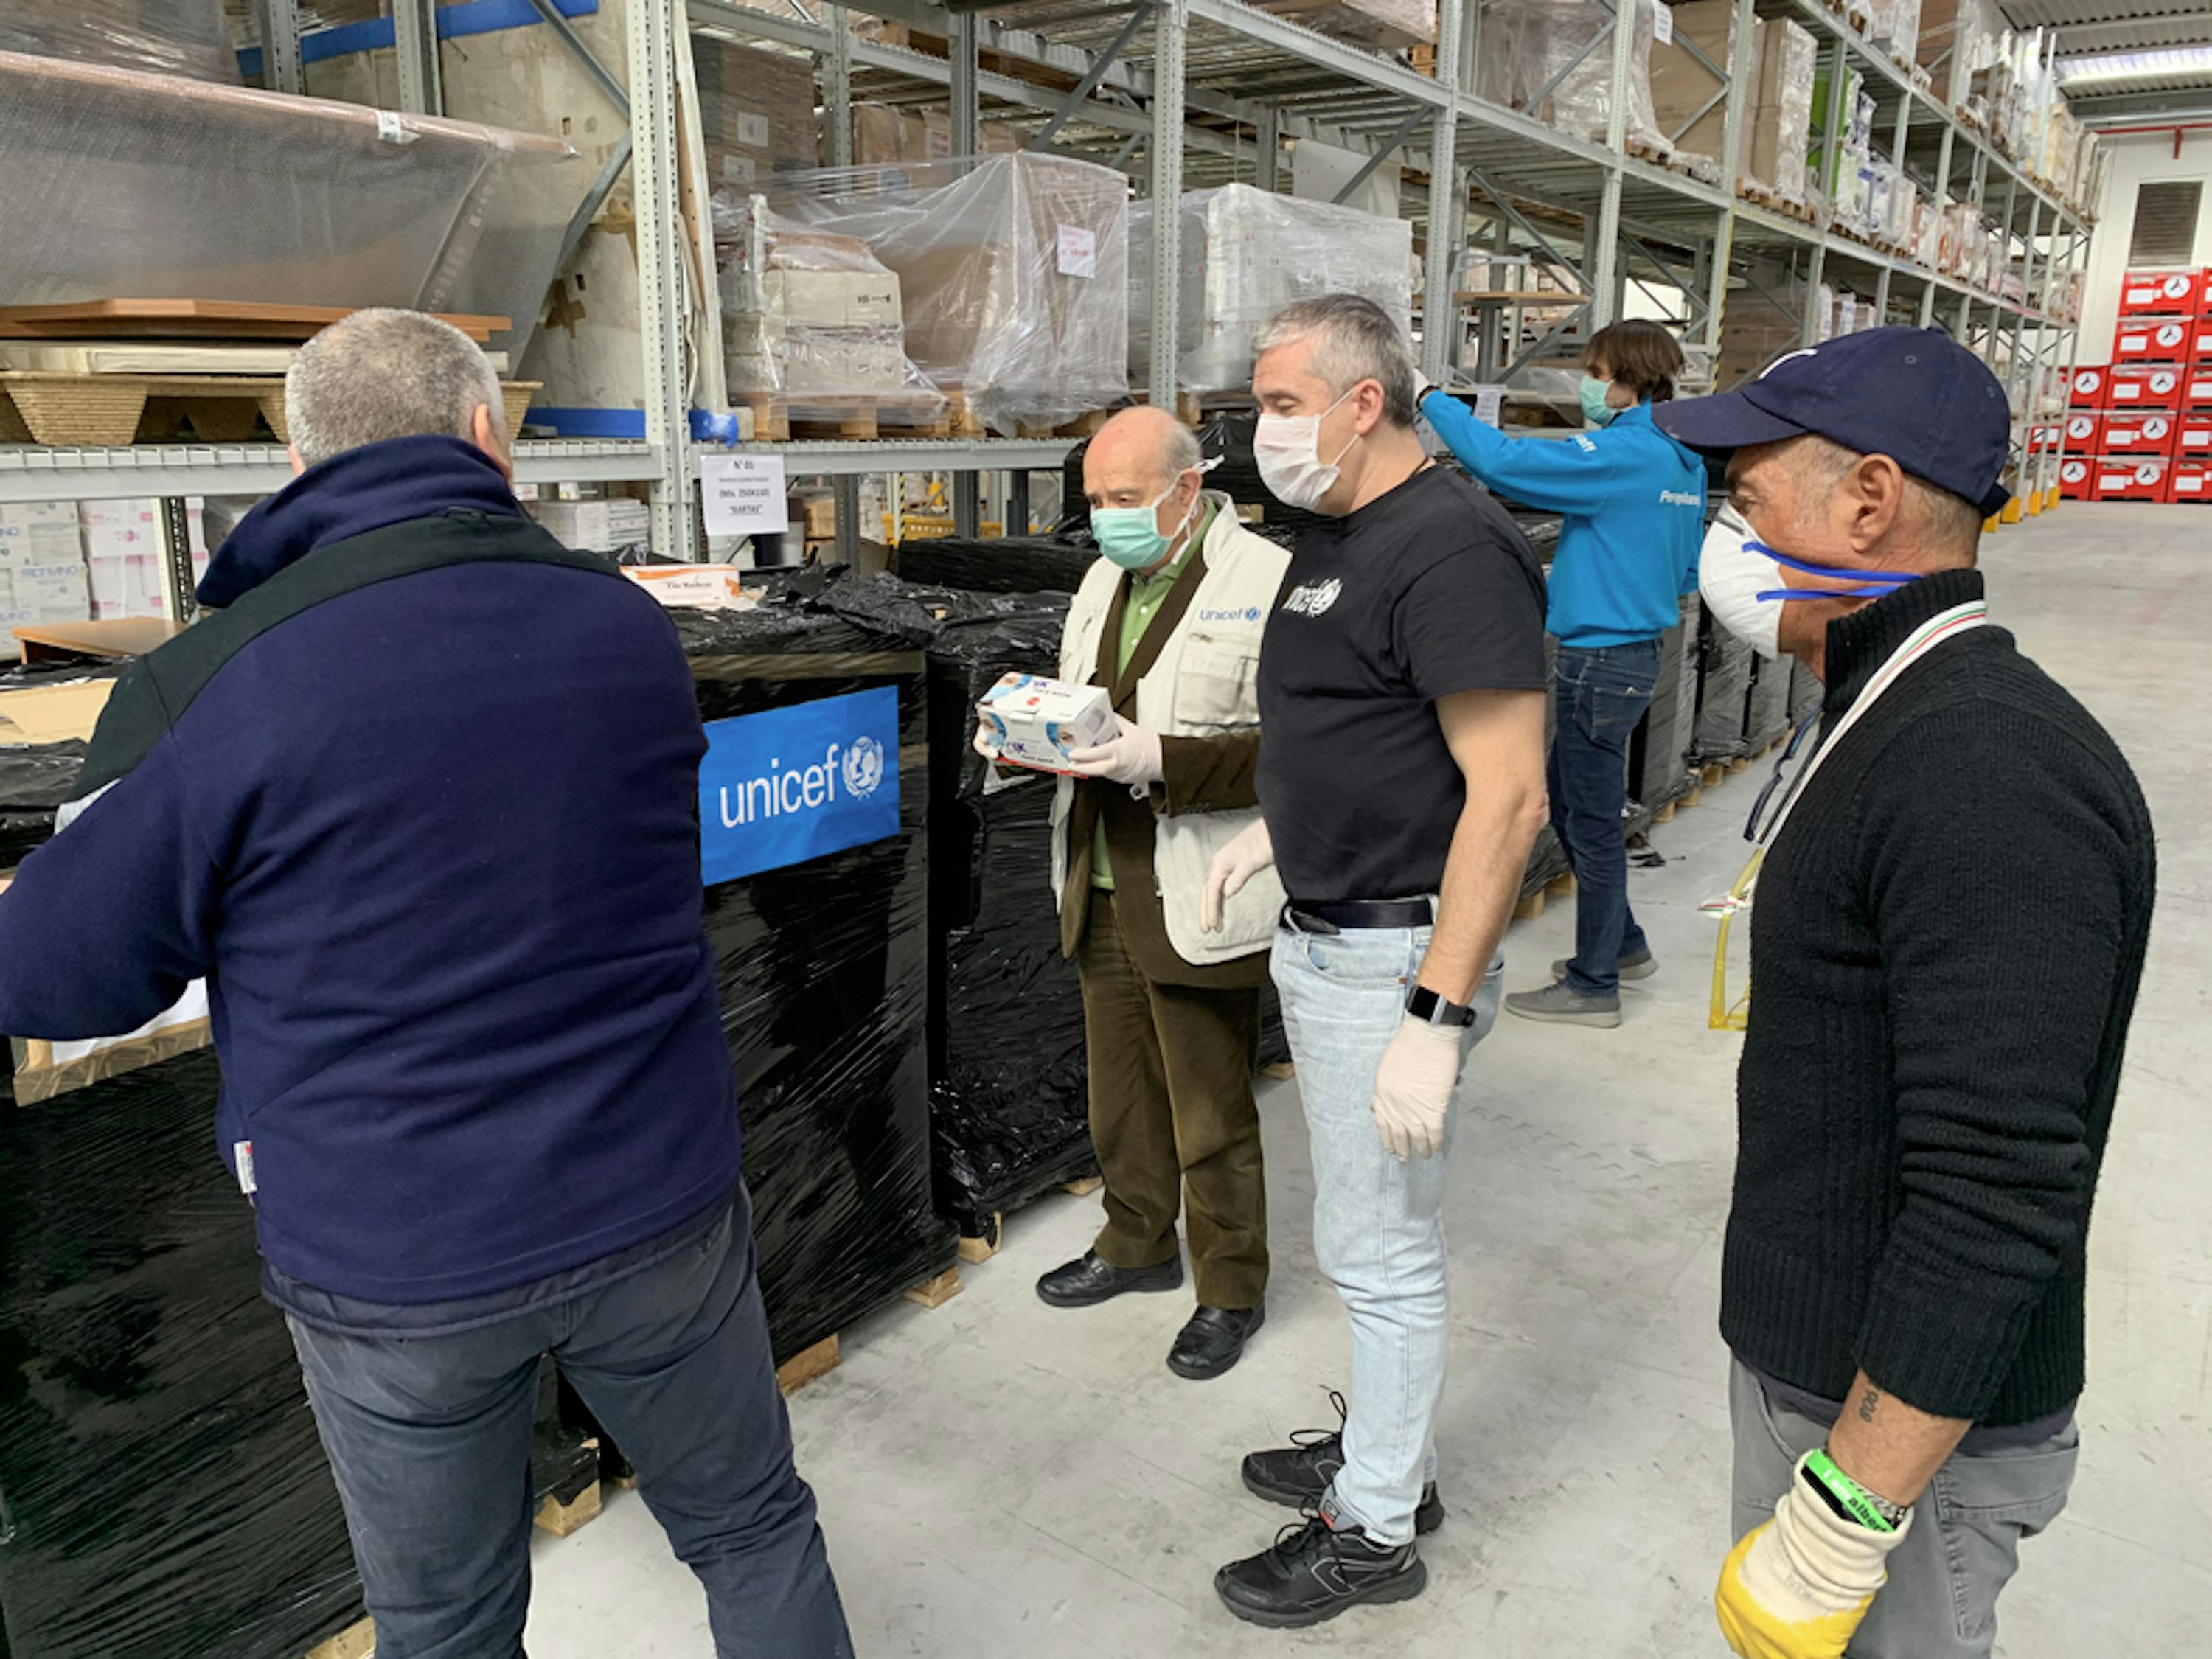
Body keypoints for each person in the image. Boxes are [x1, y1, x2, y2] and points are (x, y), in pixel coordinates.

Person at [0, 310, 852, 1658]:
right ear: (485, 437)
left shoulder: (210, 686)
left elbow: (58, 976)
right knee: (753, 1532)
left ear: (296, 457)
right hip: (656, 1201)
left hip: (397, 1252)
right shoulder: (625, 628)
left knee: (446, 1623)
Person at [1652, 327, 2155, 1659]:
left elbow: (1998, 1187)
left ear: (1867, 501)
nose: (1729, 539)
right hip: (1828, 1374)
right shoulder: (1886, 711)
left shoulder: (1987, 773)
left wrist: (1846, 1513)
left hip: (1900, 1452)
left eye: (1749, 501)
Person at [1200, 295, 1550, 1627]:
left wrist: (1437, 1012)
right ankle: (1383, 1457)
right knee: (1364, 1237)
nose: (1262, 429)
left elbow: (1506, 799)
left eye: (1282, 404)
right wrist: (1276, 831)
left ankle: (1376, 1529)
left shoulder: (1452, 545)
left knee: (1381, 1252)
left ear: (1363, 402)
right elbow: (1358, 729)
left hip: (1395, 952)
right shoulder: (1340, 530)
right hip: (1330, 927)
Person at [975, 406, 1289, 1380]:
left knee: (1211, 1107)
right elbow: (1087, 707)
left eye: (1122, 499)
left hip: (1195, 884)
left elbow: (1300, 756)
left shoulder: (1266, 584)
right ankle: (1136, 1240)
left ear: (1184, 491)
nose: (1105, 518)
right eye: (1095, 501)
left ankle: (1230, 1286)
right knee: (1120, 1095)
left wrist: (1164, 758)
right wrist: (1027, 742)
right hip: (1101, 873)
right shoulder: (1104, 577)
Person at [1417, 319, 1705, 1028]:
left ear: (1625, 377)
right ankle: (1626, 946)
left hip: (1600, 661)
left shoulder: (1623, 452)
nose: (1586, 385)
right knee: (1582, 809)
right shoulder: (1681, 458)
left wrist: (1429, 398)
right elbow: (1685, 564)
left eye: (1593, 370)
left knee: (1591, 820)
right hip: (1633, 654)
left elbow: (1504, 464)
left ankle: (1594, 982)